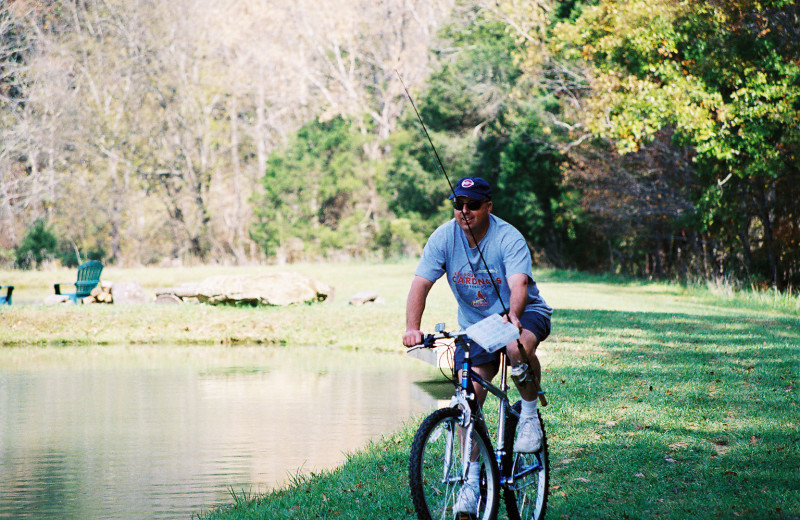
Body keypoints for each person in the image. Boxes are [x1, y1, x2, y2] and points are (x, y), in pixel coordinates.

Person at [402, 176, 552, 516]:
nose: (464, 211)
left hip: (524, 312)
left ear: (488, 207)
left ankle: (528, 414)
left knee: (516, 350)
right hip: (478, 328)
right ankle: (470, 482)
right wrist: (412, 328)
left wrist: (513, 317)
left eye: (472, 205)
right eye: (458, 204)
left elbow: (518, 284)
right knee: (467, 400)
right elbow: (420, 284)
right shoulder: (444, 237)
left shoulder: (507, 237)